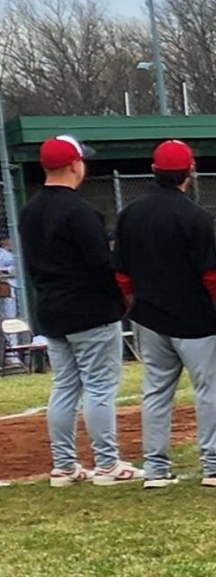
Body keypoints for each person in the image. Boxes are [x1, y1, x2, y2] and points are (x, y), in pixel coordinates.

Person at [113, 140, 216, 488]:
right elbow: (213, 275)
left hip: (149, 316)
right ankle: (215, 463)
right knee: (206, 391)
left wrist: (135, 305)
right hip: (193, 318)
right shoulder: (194, 215)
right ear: (189, 172)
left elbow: (122, 274)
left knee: (156, 392)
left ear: (154, 171)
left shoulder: (130, 214)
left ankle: (156, 469)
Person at [21, 134, 140, 486]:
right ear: (74, 165)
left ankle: (64, 466)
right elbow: (101, 265)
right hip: (90, 308)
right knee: (100, 387)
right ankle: (107, 463)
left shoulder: (29, 211)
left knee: (64, 387)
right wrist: (122, 297)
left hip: (52, 306)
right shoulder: (80, 211)